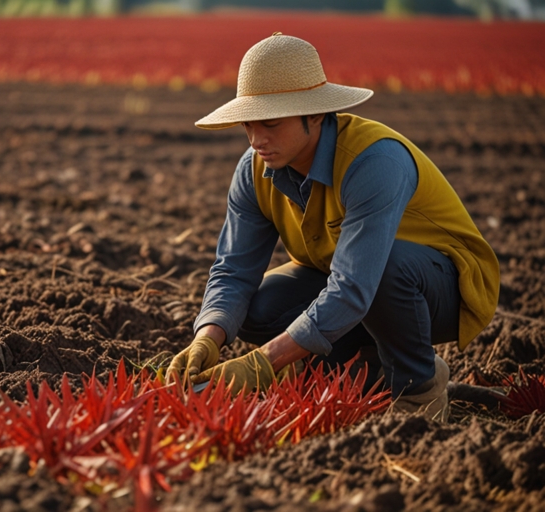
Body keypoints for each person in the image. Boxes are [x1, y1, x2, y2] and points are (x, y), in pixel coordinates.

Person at [165, 33, 499, 421]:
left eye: (270, 123)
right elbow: (234, 270)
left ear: (316, 115)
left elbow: (356, 286)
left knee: (385, 268)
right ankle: (369, 368)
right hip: (350, 280)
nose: (258, 139)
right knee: (260, 308)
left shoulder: (374, 162)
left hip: (440, 287)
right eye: (248, 126)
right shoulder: (255, 169)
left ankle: (418, 386)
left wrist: (264, 362)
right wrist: (208, 336)